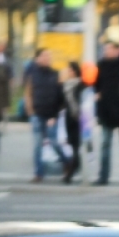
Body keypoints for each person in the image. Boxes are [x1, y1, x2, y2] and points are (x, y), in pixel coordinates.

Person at [24, 48, 67, 183]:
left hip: (51, 116)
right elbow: (28, 93)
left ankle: (68, 162)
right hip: (37, 114)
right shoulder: (33, 75)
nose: (47, 58)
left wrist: (55, 115)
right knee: (37, 145)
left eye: (48, 56)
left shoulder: (55, 74)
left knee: (54, 142)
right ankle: (39, 173)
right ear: (37, 58)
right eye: (44, 56)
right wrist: (30, 111)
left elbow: (60, 96)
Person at [94, 40, 119, 186]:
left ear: (118, 50)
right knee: (105, 145)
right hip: (106, 111)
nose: (106, 52)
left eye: (108, 49)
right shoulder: (101, 65)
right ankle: (103, 176)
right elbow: (97, 86)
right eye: (105, 49)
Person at [60, 62, 85, 183]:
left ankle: (70, 173)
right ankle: (74, 167)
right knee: (73, 145)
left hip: (78, 118)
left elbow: (84, 101)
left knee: (76, 146)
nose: (67, 72)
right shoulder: (65, 85)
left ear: (74, 71)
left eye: (69, 70)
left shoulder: (81, 85)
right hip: (68, 118)